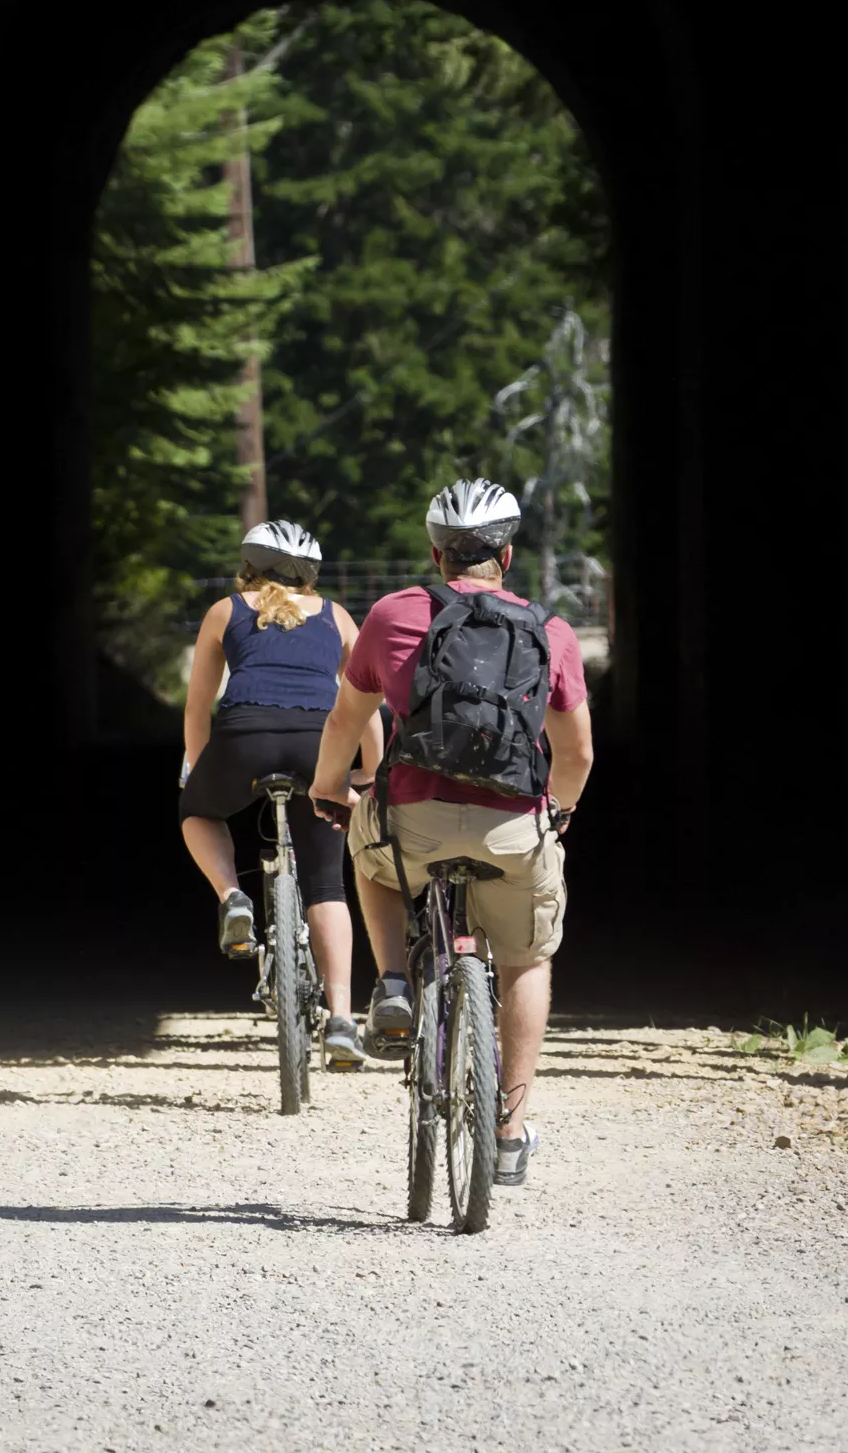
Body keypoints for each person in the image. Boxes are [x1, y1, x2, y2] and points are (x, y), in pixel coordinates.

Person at [309, 479, 593, 1185]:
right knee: (526, 959)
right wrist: (556, 812)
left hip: (414, 822)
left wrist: (327, 788)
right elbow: (577, 753)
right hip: (511, 827)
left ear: (437, 555)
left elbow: (348, 720)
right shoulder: (550, 630)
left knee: (366, 855)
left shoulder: (393, 614)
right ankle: (509, 1133)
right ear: (508, 553)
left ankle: (397, 982)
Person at [180, 519, 384, 1067]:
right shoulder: (337, 615)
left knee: (198, 810)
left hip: (244, 737)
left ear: (248, 566)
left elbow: (198, 706)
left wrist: (198, 770)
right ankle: (342, 1018)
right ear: (310, 574)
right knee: (326, 885)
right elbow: (363, 700)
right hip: (319, 741)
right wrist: (368, 768)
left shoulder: (226, 611)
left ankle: (233, 896)